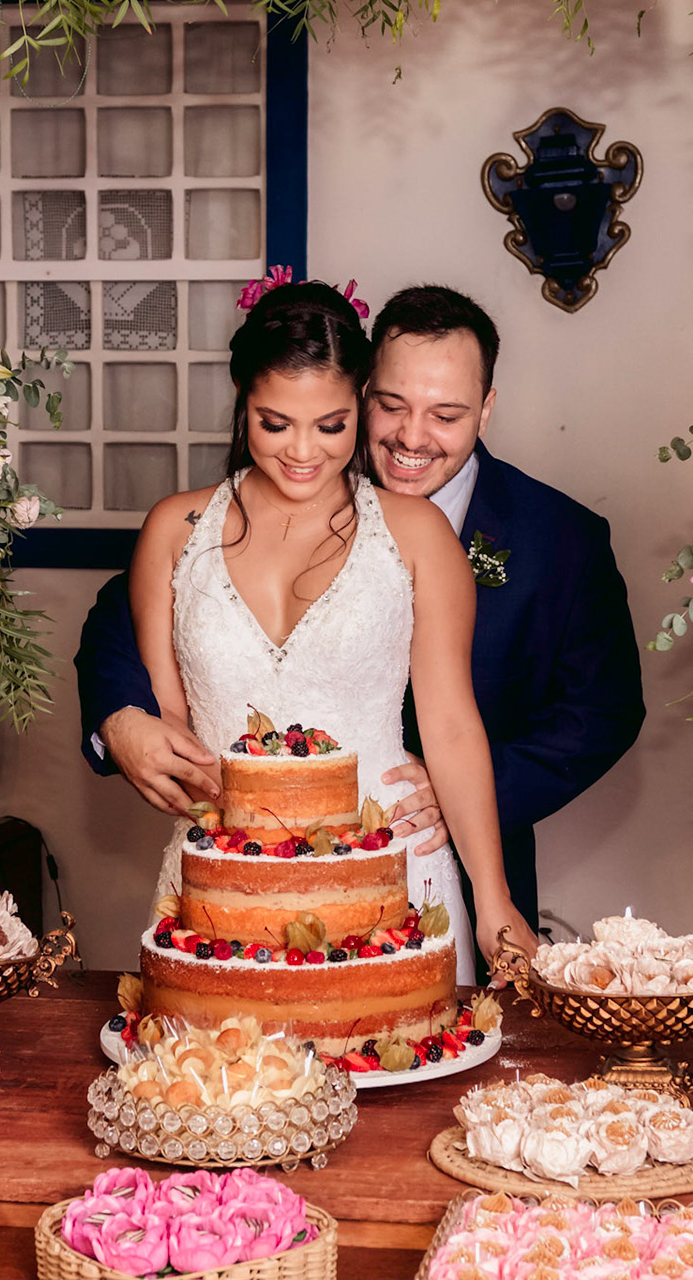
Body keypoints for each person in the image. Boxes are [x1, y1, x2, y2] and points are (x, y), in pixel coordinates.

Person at [77, 284, 644, 943]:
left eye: (445, 415)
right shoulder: (189, 524)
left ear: (486, 411)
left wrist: (472, 830)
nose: (410, 436)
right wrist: (122, 721)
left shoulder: (558, 538)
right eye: (392, 406)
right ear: (365, 392)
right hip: (232, 870)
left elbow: (596, 713)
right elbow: (133, 625)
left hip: (414, 861)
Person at [123, 280, 532, 978]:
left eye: (332, 426)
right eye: (275, 424)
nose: (303, 452)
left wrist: (494, 900)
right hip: (230, 892)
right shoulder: (172, 530)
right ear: (241, 404)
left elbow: (452, 724)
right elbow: (170, 723)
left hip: (395, 869)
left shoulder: (417, 533)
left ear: (362, 405)